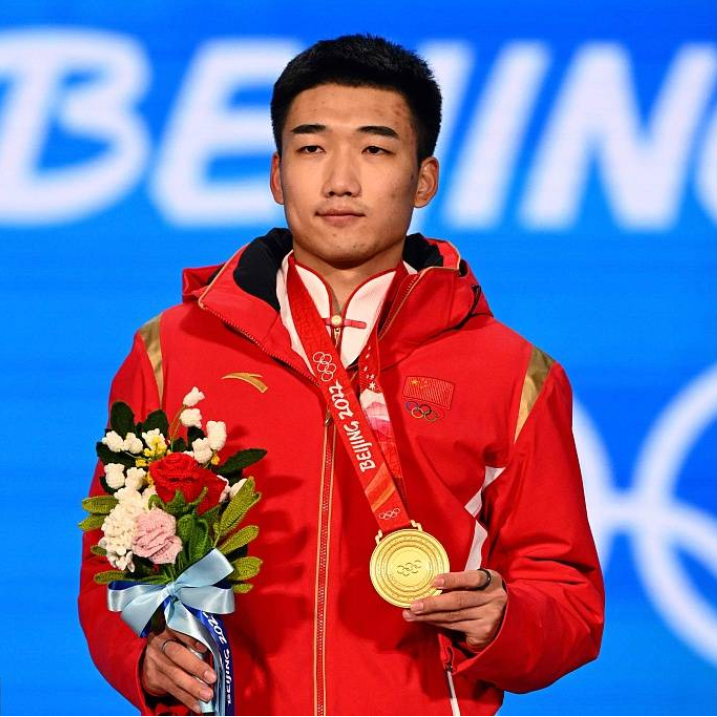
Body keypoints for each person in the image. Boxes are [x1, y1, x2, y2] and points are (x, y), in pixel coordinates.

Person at [79, 33, 605, 716]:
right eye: (311, 148)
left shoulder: (512, 372)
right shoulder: (171, 348)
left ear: (424, 179)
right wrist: (142, 659)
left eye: (375, 149)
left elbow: (567, 598)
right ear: (277, 174)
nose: (340, 180)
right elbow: (109, 561)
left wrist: (506, 620)